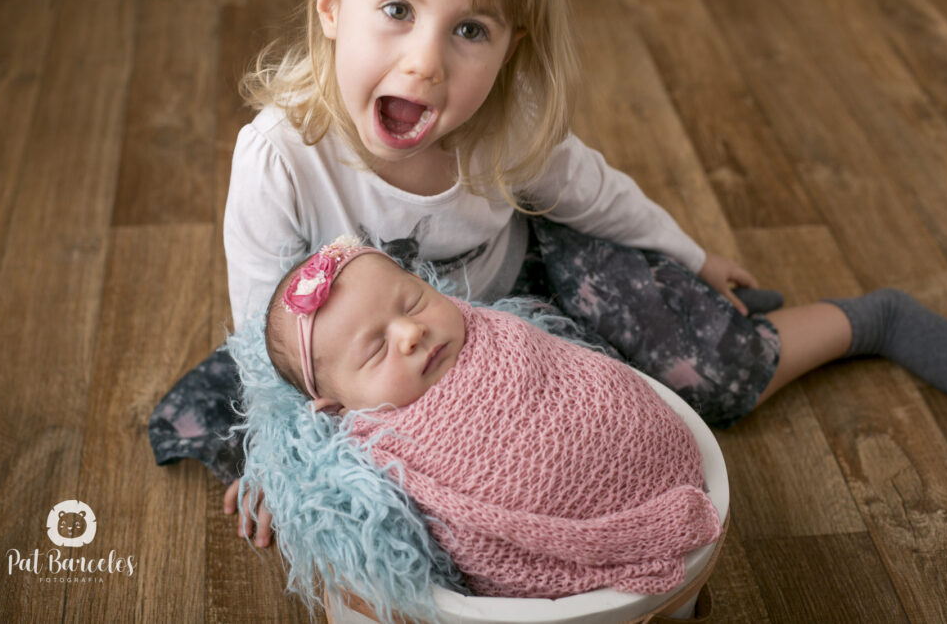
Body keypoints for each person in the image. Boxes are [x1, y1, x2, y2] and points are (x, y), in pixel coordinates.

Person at [147, 0, 947, 548]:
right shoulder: (279, 157)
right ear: (332, 1)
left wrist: (691, 257)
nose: (427, 62)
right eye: (397, 11)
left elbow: (601, 194)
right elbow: (262, 323)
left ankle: (862, 322)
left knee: (700, 375)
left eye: (468, 29)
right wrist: (281, 462)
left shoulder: (501, 134)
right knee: (258, 432)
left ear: (511, 45)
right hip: (375, 357)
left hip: (524, 294)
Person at [264, 237, 722, 598]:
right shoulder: (382, 443)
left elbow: (576, 372)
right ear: (339, 410)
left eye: (413, 302)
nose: (411, 333)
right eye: (377, 349)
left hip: (644, 437)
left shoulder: (488, 331)